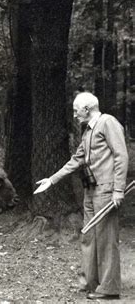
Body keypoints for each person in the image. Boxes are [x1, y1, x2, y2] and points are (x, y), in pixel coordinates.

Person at [35, 92, 129, 300]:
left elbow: (121, 155)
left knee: (106, 238)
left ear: (86, 109)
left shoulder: (108, 123)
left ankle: (109, 288)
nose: (75, 115)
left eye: (76, 110)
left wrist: (118, 189)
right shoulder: (88, 130)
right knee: (88, 235)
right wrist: (51, 180)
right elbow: (76, 159)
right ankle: (89, 282)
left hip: (106, 189)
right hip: (91, 190)